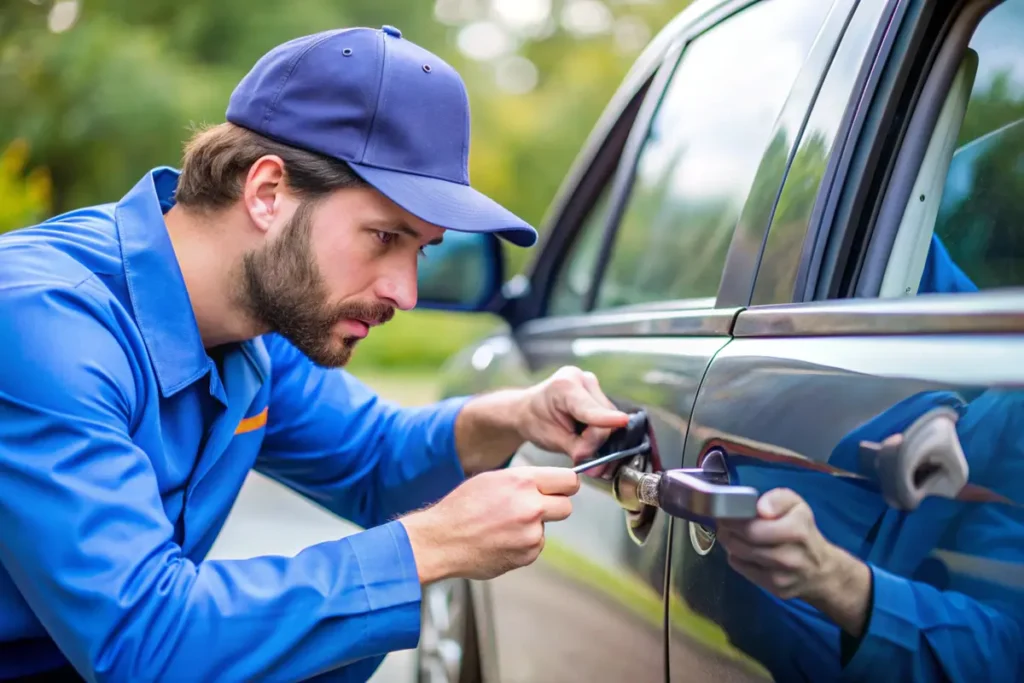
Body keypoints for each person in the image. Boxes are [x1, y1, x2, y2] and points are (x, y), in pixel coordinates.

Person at [0, 26, 630, 681]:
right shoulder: (41, 321)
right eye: (383, 237)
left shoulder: (255, 326)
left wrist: (518, 414)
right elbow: (144, 641)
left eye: (421, 251)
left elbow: (373, 460)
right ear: (267, 192)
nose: (406, 293)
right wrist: (429, 545)